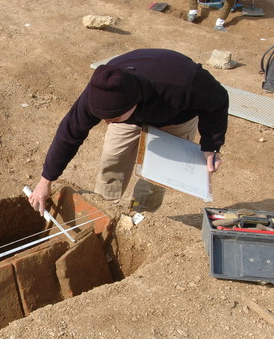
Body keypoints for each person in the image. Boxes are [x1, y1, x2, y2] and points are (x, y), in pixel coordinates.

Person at [27, 48, 228, 215]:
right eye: (104, 118)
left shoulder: (183, 84)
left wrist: (211, 145)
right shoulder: (101, 90)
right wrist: (46, 180)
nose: (106, 123)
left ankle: (141, 216)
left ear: (132, 104)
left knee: (159, 174)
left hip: (176, 117)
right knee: (112, 157)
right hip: (131, 117)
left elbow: (218, 99)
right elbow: (69, 133)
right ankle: (105, 208)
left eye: (112, 119)